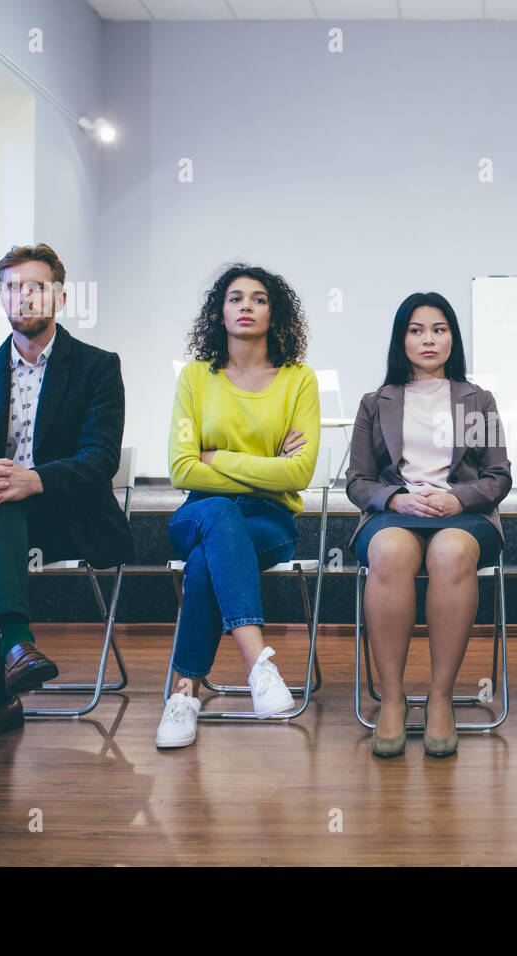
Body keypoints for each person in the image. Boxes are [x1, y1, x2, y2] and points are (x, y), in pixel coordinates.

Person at [0, 243, 135, 742]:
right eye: (13, 287)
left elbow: (99, 459)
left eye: (36, 287)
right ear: (1, 298)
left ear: (60, 299)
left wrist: (33, 479)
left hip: (70, 519)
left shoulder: (97, 367)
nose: (24, 297)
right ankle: (18, 652)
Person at [156, 265, 320, 749]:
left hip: (270, 520)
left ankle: (183, 694)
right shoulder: (195, 378)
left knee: (208, 560)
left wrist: (218, 457)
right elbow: (182, 470)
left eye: (259, 298)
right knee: (219, 515)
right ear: (219, 311)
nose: (246, 306)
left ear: (276, 312)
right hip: (199, 510)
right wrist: (265, 462)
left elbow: (299, 474)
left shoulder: (298, 380)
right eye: (235, 298)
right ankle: (259, 666)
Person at [347, 292, 511, 758]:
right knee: (391, 553)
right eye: (416, 330)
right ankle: (394, 699)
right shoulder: (375, 402)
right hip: (394, 513)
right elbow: (357, 481)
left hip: (463, 514)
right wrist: (396, 498)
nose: (428, 339)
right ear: (402, 340)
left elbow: (499, 477)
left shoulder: (478, 399)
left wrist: (454, 497)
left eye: (439, 329)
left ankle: (440, 698)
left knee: (450, 552)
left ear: (453, 338)